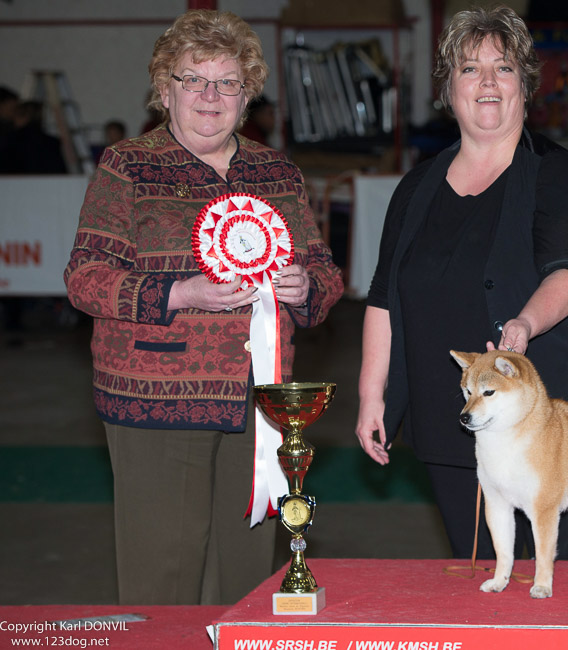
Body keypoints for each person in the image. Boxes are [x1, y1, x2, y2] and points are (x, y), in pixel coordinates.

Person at [63, 10, 343, 606]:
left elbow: (324, 273)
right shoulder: (127, 166)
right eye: (194, 80)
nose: (210, 95)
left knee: (245, 579)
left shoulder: (277, 172)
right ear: (165, 92)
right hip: (154, 397)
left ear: (248, 97)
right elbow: (85, 278)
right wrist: (177, 294)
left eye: (228, 82)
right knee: (161, 579)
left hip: (260, 400)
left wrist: (305, 289)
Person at [354, 5, 568, 562]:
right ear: (447, 88)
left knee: (559, 586)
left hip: (552, 424)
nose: (486, 83)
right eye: (469, 69)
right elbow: (384, 295)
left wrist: (523, 324)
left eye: (502, 68)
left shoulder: (557, 174)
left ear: (524, 85)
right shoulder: (416, 187)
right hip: (452, 421)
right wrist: (370, 394)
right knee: (484, 577)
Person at [0, 100, 68, 174]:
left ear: (22, 116)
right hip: (49, 182)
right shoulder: (53, 142)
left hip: (17, 182)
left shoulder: (9, 140)